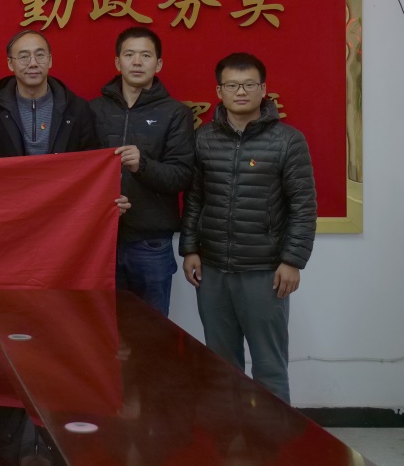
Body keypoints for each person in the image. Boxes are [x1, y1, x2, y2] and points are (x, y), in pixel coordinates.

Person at [181, 52, 317, 403]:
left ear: (263, 89)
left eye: (248, 85)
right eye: (232, 85)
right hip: (212, 269)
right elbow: (194, 199)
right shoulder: (204, 138)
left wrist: (293, 261)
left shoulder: (288, 140)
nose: (240, 92)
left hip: (264, 271)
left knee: (269, 368)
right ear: (219, 91)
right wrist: (190, 249)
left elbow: (303, 207)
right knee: (220, 367)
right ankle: (229, 436)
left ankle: (273, 438)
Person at [90, 27, 195, 316]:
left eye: (146, 55)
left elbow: (181, 176)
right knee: (103, 328)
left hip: (151, 243)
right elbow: (80, 173)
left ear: (158, 64)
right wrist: (104, 202)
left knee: (153, 330)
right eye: (130, 55)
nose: (137, 62)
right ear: (118, 62)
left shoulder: (176, 113)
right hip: (101, 240)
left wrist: (142, 165)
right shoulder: (94, 110)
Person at [0, 30, 98, 157]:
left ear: (50, 60)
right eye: (24, 57)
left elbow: (92, 160)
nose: (33, 64)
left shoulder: (77, 109)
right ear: (10, 64)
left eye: (40, 55)